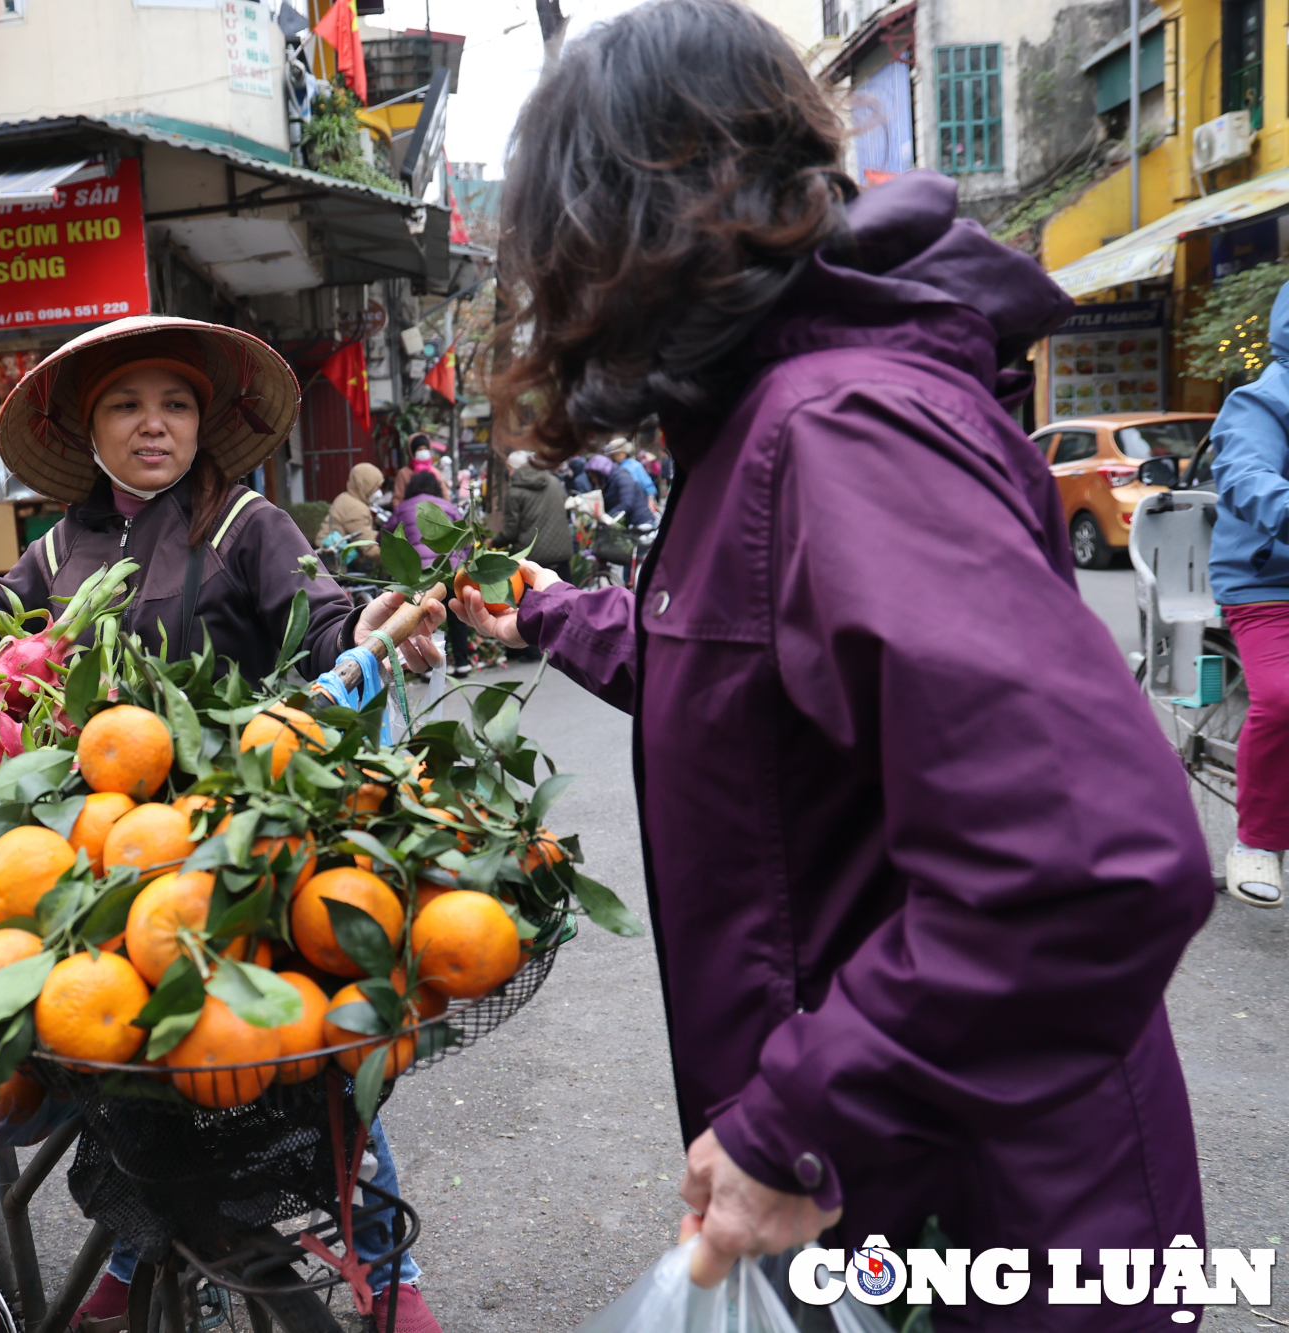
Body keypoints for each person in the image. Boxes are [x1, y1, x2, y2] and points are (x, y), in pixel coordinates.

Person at [456, 2, 1212, 1324]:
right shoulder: (764, 417)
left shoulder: (840, 428)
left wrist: (800, 1117)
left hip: (1001, 1221)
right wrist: (553, 618)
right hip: (909, 1193)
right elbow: (756, 681)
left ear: (623, 221)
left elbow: (1080, 860)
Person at [0, 315, 447, 1331]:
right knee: (137, 1064)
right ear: (84, 428)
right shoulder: (53, 550)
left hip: (241, 845)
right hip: (94, 857)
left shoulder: (247, 528)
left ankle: (385, 1271)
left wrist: (366, 631)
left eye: (174, 403)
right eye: (126, 405)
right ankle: (139, 1245)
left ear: (205, 422)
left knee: (301, 1051)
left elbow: (320, 618)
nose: (154, 425)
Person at [1202, 280, 1289, 908]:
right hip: (1266, 581)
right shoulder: (1259, 400)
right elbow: (1247, 474)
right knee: (1284, 701)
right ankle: (1257, 841)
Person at [388, 470, 473, 676]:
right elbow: (465, 536)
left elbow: (387, 536)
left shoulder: (402, 509)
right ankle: (462, 662)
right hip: (449, 569)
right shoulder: (447, 506)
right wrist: (460, 561)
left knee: (423, 619)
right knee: (455, 615)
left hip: (419, 574)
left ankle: (426, 667)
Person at [497, 449, 575, 585]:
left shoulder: (515, 491)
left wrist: (493, 542)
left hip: (532, 559)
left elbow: (511, 530)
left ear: (513, 469)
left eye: (508, 469)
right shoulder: (554, 481)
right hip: (562, 554)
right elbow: (567, 513)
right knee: (565, 601)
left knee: (534, 603)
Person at [314, 461, 385, 560]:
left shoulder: (345, 498)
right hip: (335, 558)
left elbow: (362, 532)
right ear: (364, 485)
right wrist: (396, 563)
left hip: (326, 551)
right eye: (376, 487)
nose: (379, 492)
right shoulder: (356, 508)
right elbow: (369, 548)